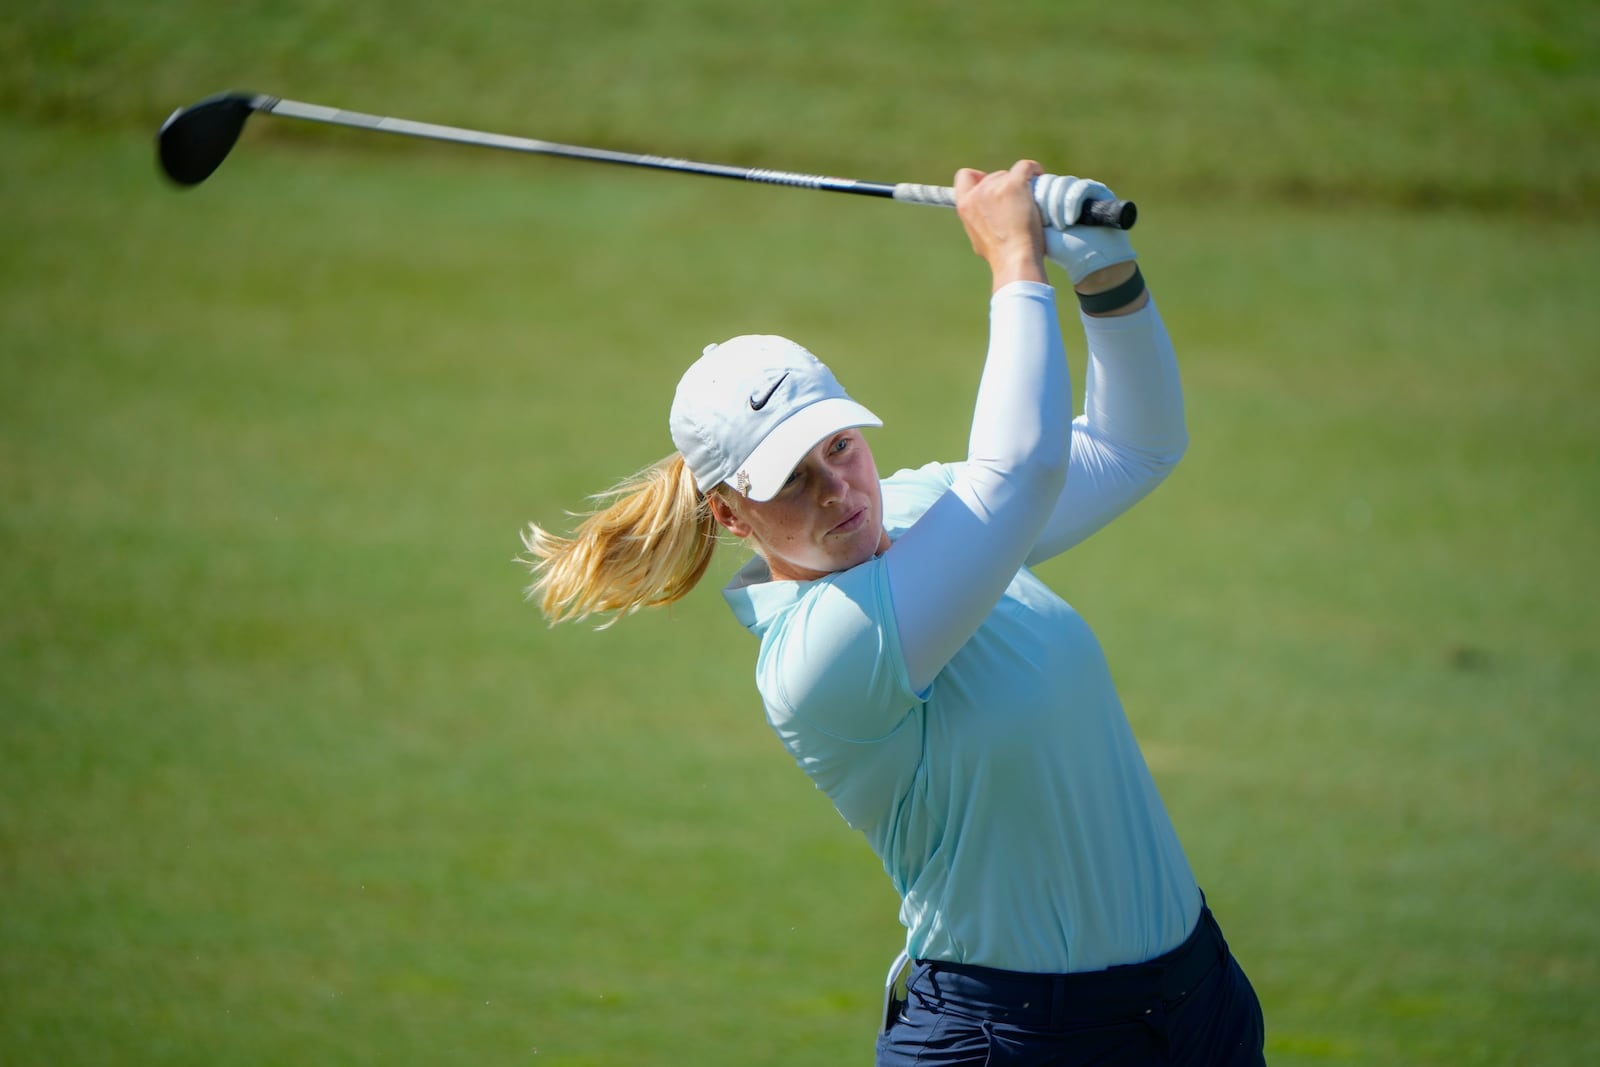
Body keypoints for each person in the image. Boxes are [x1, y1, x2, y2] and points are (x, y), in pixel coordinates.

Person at [521, 160, 1266, 1065]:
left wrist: (1104, 273)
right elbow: (1021, 472)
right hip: (1015, 1040)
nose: (838, 489)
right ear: (730, 514)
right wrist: (1013, 263)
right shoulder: (819, 657)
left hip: (1198, 1004)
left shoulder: (915, 507)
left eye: (839, 446)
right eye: (791, 480)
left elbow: (1133, 444)